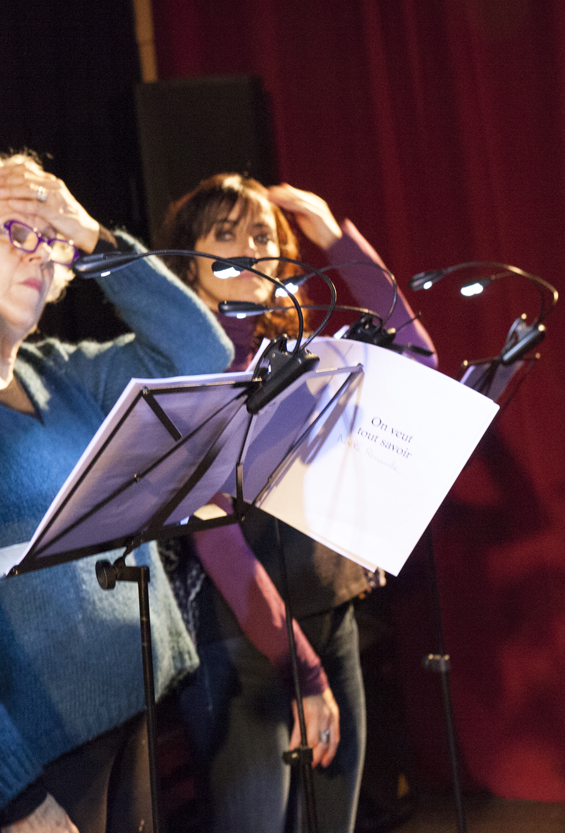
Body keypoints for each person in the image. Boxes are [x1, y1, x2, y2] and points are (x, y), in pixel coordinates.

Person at [0, 152, 235, 833]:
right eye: (14, 232)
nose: (41, 254)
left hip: (136, 710)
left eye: (50, 239)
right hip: (41, 761)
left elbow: (200, 356)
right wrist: (9, 792)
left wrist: (95, 237)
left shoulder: (64, 373)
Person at [157, 174, 437, 833]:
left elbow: (419, 362)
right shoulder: (184, 367)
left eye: (262, 234)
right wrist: (304, 676)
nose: (248, 247)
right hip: (244, 650)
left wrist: (337, 242)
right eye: (224, 235)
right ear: (191, 267)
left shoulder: (305, 358)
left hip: (332, 626)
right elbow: (218, 540)